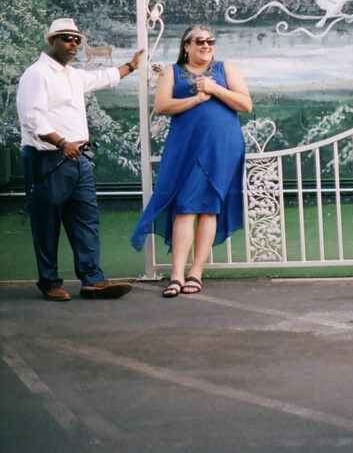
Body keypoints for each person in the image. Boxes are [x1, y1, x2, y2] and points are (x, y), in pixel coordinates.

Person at [17, 18, 145, 301]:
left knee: (86, 219)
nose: (73, 44)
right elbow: (32, 117)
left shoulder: (73, 75)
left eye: (77, 40)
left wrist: (132, 65)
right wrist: (62, 143)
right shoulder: (37, 74)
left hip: (77, 160)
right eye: (66, 39)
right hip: (46, 158)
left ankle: (93, 280)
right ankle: (50, 283)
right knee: (47, 223)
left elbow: (102, 77)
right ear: (51, 41)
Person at [130, 25, 251, 297]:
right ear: (186, 46)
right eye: (200, 41)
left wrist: (214, 88)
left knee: (209, 208)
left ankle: (196, 273)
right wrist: (196, 98)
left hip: (221, 148)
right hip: (185, 148)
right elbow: (162, 106)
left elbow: (245, 104)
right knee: (185, 206)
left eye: (210, 41)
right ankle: (176, 275)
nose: (206, 46)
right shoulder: (170, 72)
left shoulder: (225, 69)